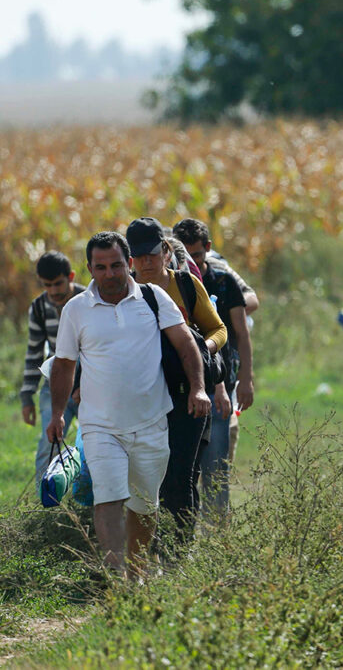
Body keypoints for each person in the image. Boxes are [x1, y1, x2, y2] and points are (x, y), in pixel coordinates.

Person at [48, 231, 209, 577]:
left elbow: (185, 345)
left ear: (129, 263)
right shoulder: (76, 310)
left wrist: (198, 388)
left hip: (151, 422)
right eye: (100, 267)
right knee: (108, 497)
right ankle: (114, 574)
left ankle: (135, 572)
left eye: (116, 265)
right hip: (100, 426)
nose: (109, 274)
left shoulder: (154, 299)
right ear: (90, 268)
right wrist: (58, 414)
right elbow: (63, 364)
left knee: (145, 505)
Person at [127, 217, 227, 543]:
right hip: (142, 398)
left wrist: (202, 348)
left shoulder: (184, 284)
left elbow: (218, 329)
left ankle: (179, 552)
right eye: (138, 256)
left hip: (188, 393)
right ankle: (150, 548)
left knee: (181, 475)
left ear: (166, 250)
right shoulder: (120, 291)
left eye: (152, 254)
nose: (146, 262)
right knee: (146, 477)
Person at [173, 218, 255, 519]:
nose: (191, 262)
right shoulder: (172, 283)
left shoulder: (223, 281)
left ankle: (216, 543)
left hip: (221, 382)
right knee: (184, 470)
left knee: (216, 469)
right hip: (182, 386)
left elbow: (240, 333)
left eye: (196, 255)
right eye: (185, 255)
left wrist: (245, 379)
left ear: (207, 249)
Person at [20, 251, 85, 481]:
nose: (54, 291)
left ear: (71, 276)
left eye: (58, 284)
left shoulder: (87, 300)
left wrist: (82, 385)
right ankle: (46, 503)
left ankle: (93, 501)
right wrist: (27, 395)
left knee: (94, 442)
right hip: (54, 382)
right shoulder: (38, 307)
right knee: (49, 444)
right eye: (48, 285)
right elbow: (34, 353)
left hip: (88, 382)